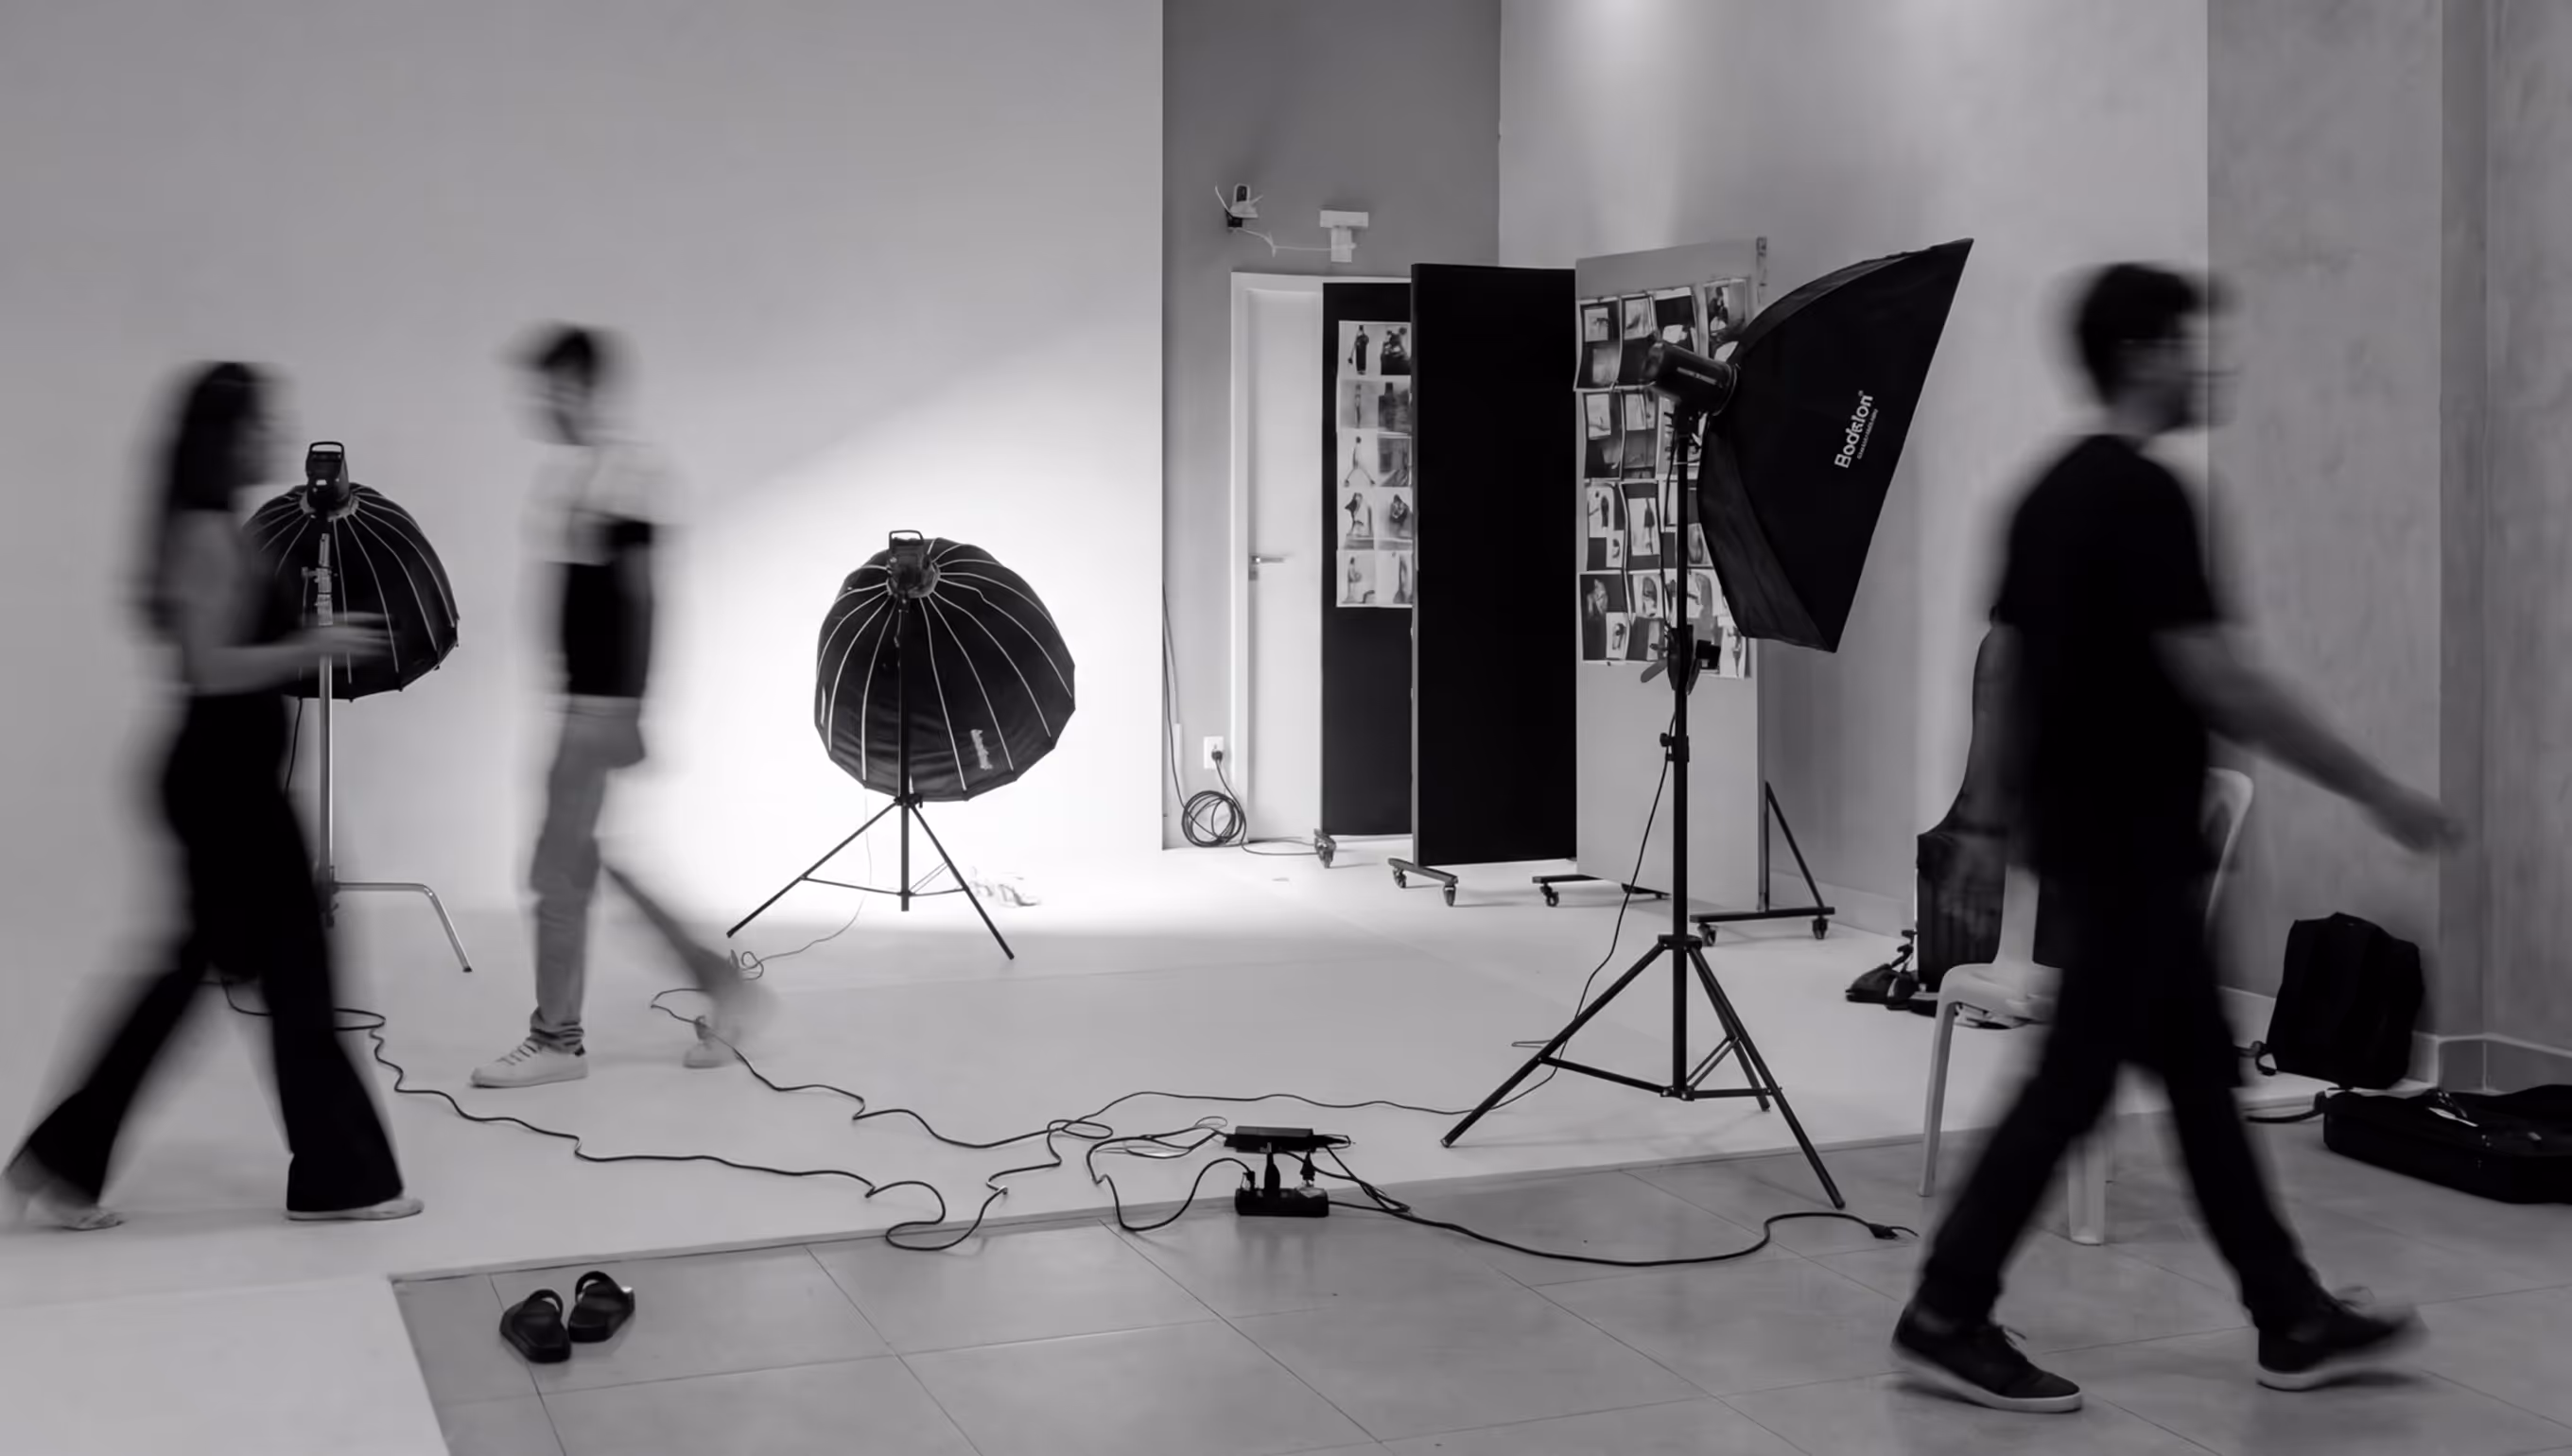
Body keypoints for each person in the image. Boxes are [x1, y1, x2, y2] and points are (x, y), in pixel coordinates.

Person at [1891, 265, 2458, 1413]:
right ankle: (1946, 1308)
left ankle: (2286, 1311)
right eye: (2189, 342)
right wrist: (2368, 783)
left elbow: (2002, 664)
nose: (2206, 363)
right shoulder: (2141, 495)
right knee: (2071, 1087)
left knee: (2196, 1082)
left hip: (2095, 841)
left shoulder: (2043, 494)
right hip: (2131, 845)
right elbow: (2216, 676)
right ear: (2144, 351)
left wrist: (1987, 815)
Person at [8, 364, 419, 1229]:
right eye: (253, 428)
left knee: (201, 973)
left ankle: (62, 1162)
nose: (269, 440)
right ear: (215, 441)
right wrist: (313, 645)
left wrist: (301, 636)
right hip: (219, 785)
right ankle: (337, 1180)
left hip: (226, 781)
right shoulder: (198, 534)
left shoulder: (213, 529)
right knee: (294, 972)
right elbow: (210, 668)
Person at [473, 327, 767, 1088]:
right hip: (581, 701)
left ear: (592, 389)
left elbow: (640, 601)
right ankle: (726, 989)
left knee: (559, 873)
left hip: (599, 707)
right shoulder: (574, 476)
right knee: (591, 863)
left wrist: (628, 708)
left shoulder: (626, 477)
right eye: (541, 389)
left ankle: (557, 1039)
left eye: (562, 387)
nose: (548, 402)